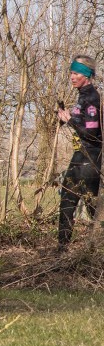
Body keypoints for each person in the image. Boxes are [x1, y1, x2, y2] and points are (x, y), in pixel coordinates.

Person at [57, 55, 102, 249]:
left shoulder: (91, 98)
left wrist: (70, 121)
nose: (72, 77)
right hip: (82, 153)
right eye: (71, 73)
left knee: (91, 205)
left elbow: (91, 133)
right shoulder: (82, 96)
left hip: (91, 155)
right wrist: (63, 117)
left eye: (76, 73)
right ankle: (62, 248)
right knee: (68, 198)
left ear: (86, 74)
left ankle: (95, 247)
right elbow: (79, 122)